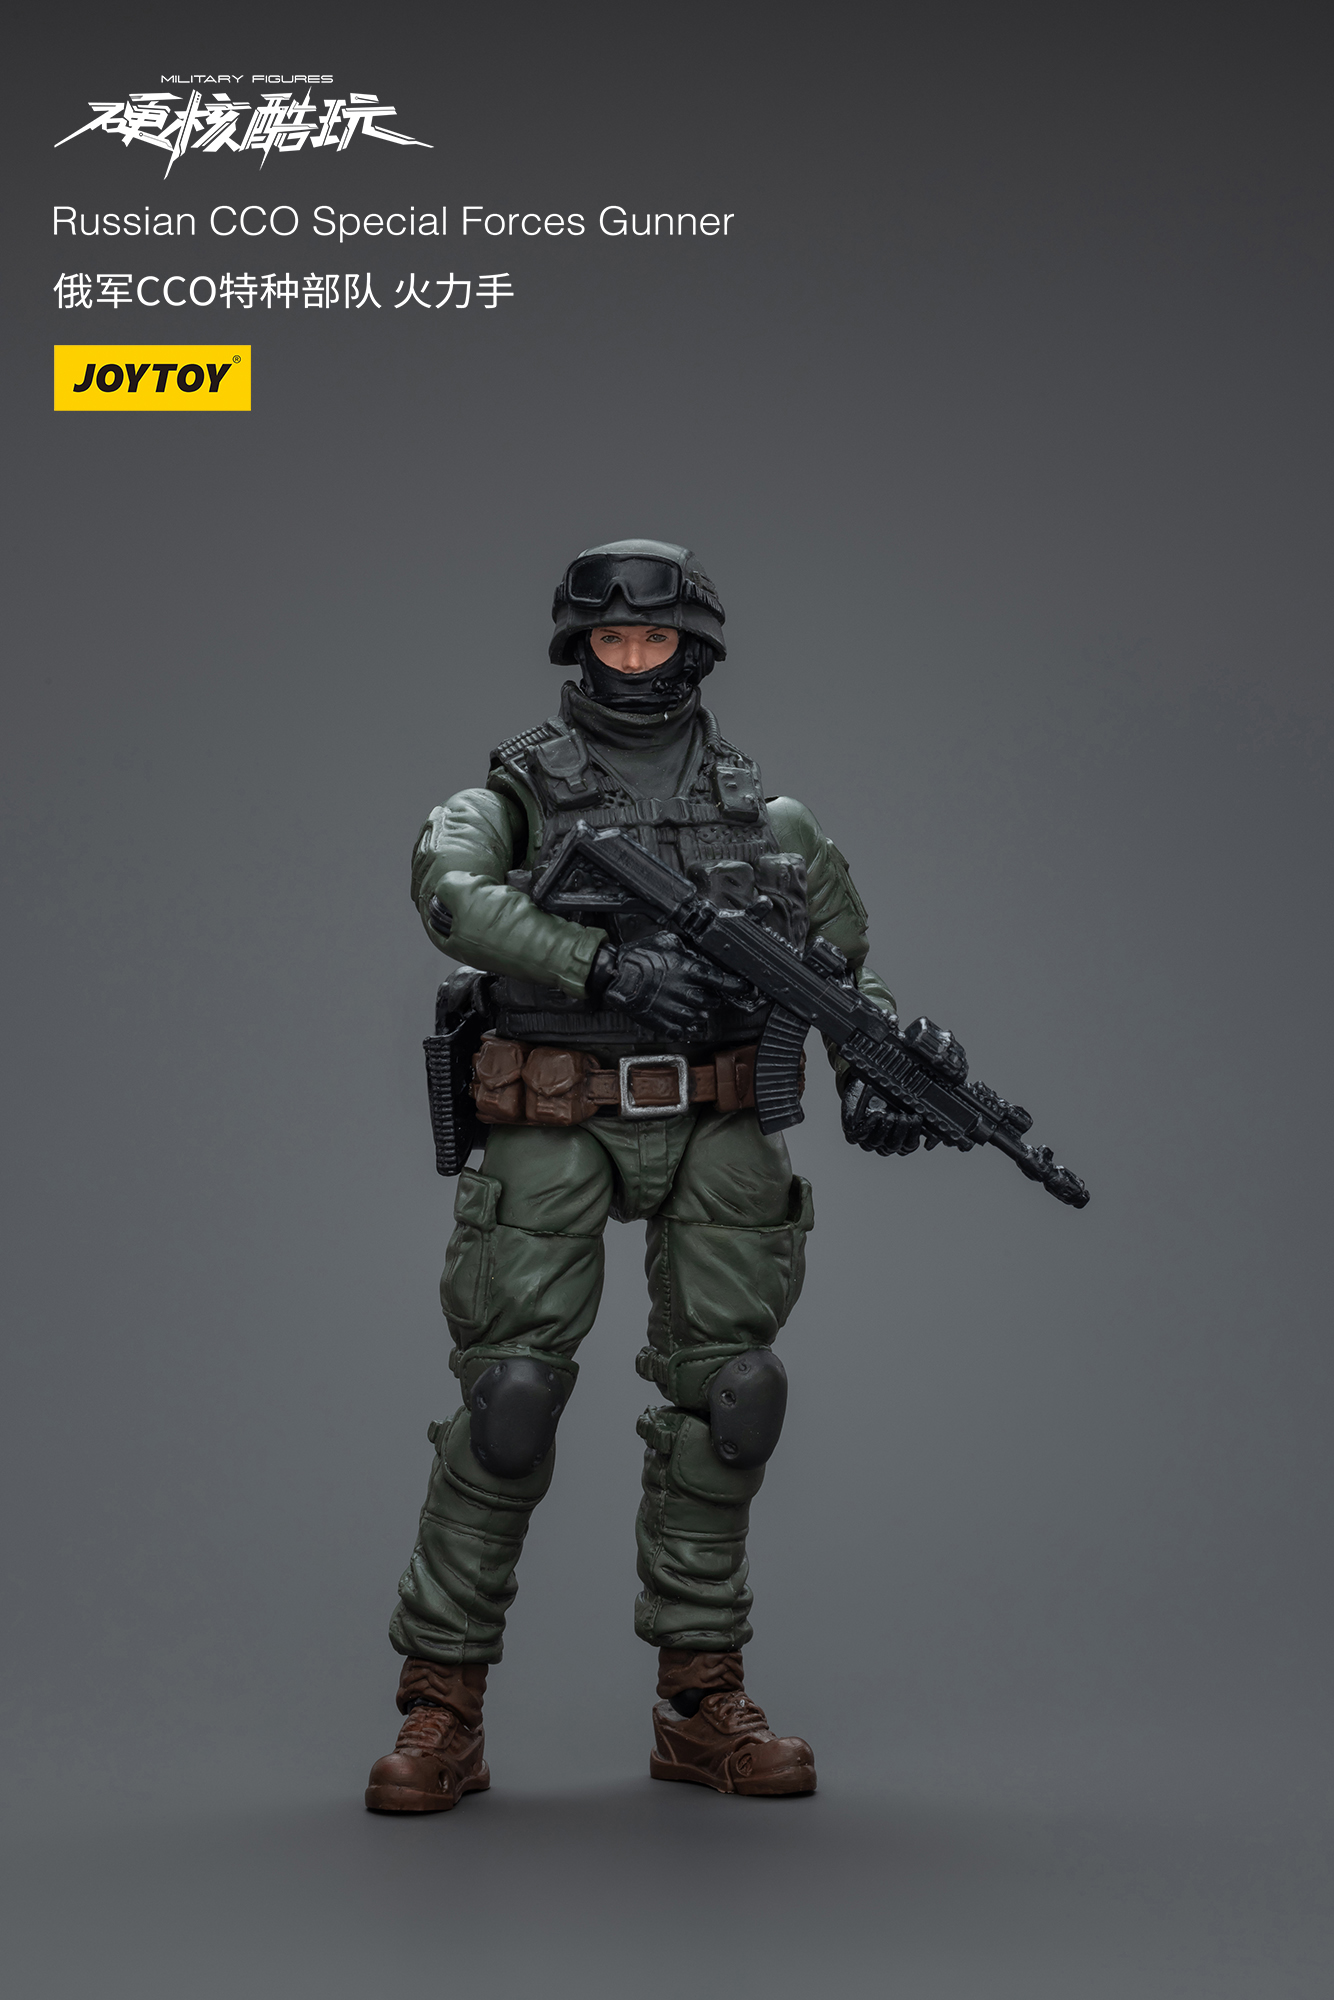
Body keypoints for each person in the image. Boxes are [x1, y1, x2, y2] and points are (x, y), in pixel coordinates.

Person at [366, 540, 922, 1812]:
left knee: (733, 1394)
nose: (630, 657)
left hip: (720, 1115)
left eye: (652, 638)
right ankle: (440, 1705)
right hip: (555, 1108)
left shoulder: (767, 816)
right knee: (508, 1401)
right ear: (579, 648)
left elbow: (841, 967)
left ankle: (699, 1696)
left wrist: (879, 1066)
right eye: (609, 639)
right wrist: (598, 964)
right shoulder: (514, 791)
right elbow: (448, 890)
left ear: (692, 649)